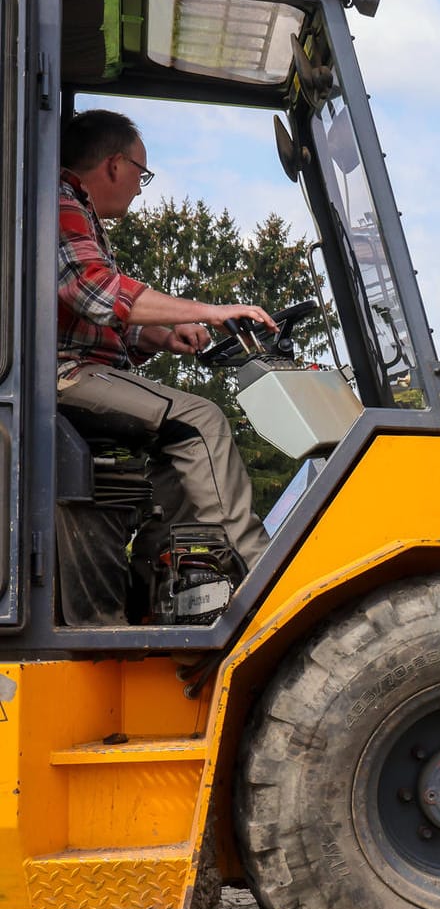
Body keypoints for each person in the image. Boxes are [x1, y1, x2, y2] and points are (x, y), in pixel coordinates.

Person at [55, 108, 277, 574]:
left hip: (76, 367)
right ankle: (263, 575)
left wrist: (159, 335)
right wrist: (209, 310)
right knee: (201, 421)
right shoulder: (59, 202)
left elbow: (91, 316)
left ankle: (157, 577)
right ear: (115, 165)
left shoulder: (78, 211)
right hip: (62, 375)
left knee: (176, 453)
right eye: (142, 173)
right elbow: (94, 291)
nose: (140, 185)